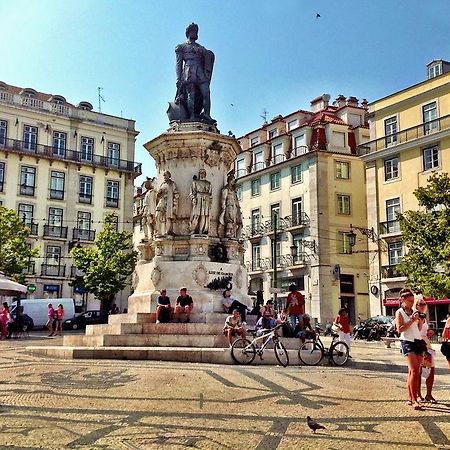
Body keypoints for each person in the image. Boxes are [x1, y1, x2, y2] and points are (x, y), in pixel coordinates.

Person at [174, 23, 215, 122]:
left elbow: (209, 57)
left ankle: (206, 114)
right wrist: (178, 78)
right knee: (190, 94)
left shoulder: (201, 47)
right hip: (189, 71)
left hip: (200, 72)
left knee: (206, 92)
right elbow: (178, 64)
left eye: (196, 32)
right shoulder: (181, 47)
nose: (196, 34)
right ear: (188, 33)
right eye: (193, 31)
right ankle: (192, 116)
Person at [395, 288, 426, 410]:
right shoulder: (399, 312)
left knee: (415, 371)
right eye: (409, 301)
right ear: (402, 300)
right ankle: (414, 400)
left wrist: (420, 321)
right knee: (414, 370)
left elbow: (417, 329)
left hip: (417, 341)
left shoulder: (414, 311)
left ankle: (410, 397)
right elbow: (400, 329)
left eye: (412, 301)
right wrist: (412, 320)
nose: (411, 303)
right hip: (407, 341)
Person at [414, 299, 436, 403]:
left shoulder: (424, 316)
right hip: (418, 344)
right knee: (419, 370)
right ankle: (418, 394)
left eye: (424, 304)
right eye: (420, 304)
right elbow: (416, 331)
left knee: (430, 369)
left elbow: (423, 331)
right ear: (416, 305)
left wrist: (429, 332)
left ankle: (429, 394)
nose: (422, 306)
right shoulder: (417, 316)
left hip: (426, 344)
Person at [218, 172, 243, 239]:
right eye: (232, 181)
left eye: (233, 181)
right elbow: (223, 198)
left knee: (236, 221)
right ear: (229, 181)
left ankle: (234, 235)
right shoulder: (226, 189)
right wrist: (223, 206)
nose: (233, 182)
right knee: (229, 219)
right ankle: (228, 233)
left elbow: (236, 199)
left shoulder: (233, 191)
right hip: (229, 206)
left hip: (234, 207)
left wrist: (238, 208)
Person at [189, 168, 212, 235]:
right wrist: (193, 198)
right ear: (199, 174)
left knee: (204, 216)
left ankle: (201, 231)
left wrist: (210, 201)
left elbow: (210, 194)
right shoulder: (195, 182)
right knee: (196, 215)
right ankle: (192, 229)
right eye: (201, 172)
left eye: (204, 172)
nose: (202, 174)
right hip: (198, 199)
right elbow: (191, 192)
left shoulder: (208, 183)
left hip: (206, 200)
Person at [156, 171, 179, 236]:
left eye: (165, 175)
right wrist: (158, 194)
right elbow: (158, 195)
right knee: (157, 215)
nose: (164, 177)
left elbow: (176, 194)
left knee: (168, 217)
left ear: (169, 176)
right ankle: (159, 231)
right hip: (162, 201)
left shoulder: (172, 184)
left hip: (169, 202)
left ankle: (167, 231)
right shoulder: (162, 184)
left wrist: (175, 204)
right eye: (163, 175)